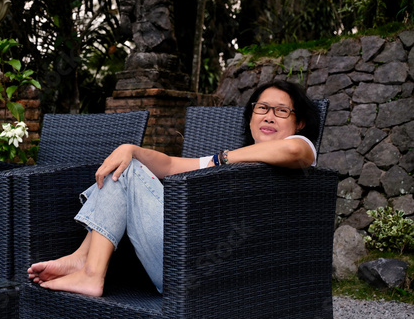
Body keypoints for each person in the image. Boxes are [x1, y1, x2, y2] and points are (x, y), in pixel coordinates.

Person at [27, 80, 320, 297]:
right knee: (126, 166)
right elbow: (168, 165)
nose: (269, 116)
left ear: (299, 122)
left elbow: (295, 151)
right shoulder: (228, 159)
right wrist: (130, 148)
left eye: (281, 111)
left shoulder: (300, 147)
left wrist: (224, 159)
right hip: (183, 258)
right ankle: (84, 260)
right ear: (252, 115)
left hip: (213, 271)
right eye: (262, 108)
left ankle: (90, 271)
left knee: (127, 172)